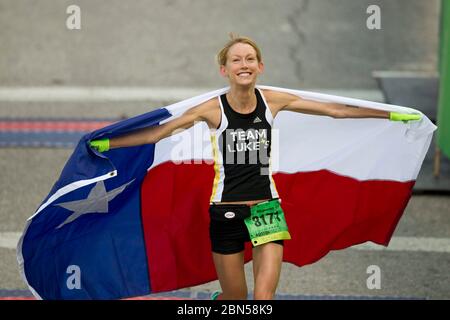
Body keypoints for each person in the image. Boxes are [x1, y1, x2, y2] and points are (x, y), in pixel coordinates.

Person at [89, 34, 421, 300]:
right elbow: (158, 133)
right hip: (225, 214)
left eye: (249, 59)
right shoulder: (211, 110)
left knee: (263, 297)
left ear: (260, 66)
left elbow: (337, 111)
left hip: (266, 209)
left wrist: (389, 115)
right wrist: (110, 143)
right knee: (236, 297)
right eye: (236, 60)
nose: (243, 64)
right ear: (225, 70)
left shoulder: (273, 100)